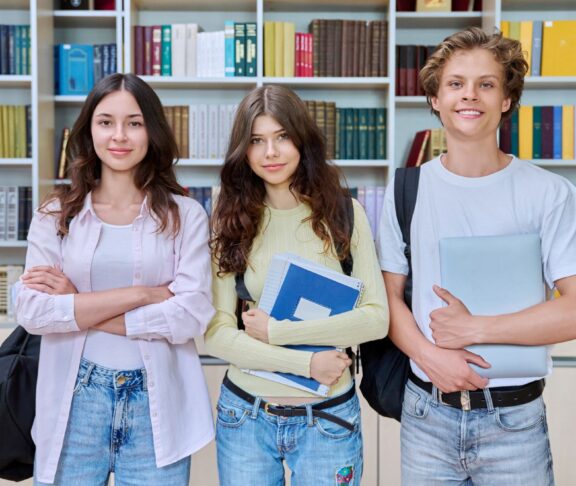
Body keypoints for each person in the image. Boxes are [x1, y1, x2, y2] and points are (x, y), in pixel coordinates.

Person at [377, 27, 576, 485]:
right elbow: (389, 299)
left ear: (506, 100)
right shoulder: (407, 190)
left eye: (486, 84)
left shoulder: (549, 193)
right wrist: (430, 356)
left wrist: (476, 328)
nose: (470, 95)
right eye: (455, 84)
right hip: (427, 415)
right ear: (434, 98)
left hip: (515, 421)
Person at [15, 73, 215, 485]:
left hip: (156, 402)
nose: (119, 136)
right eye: (106, 122)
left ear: (152, 131)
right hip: (75, 401)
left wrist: (77, 303)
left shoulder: (185, 216)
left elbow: (191, 316)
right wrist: (142, 294)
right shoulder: (56, 216)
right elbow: (33, 312)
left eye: (134, 123)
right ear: (89, 130)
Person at [205, 85, 388, 486]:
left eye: (282, 137)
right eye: (257, 141)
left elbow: (376, 320)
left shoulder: (345, 213)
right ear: (244, 150)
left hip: (328, 419)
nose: (270, 153)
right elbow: (216, 335)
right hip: (246, 416)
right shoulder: (228, 219)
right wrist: (305, 363)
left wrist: (278, 332)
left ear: (302, 140)